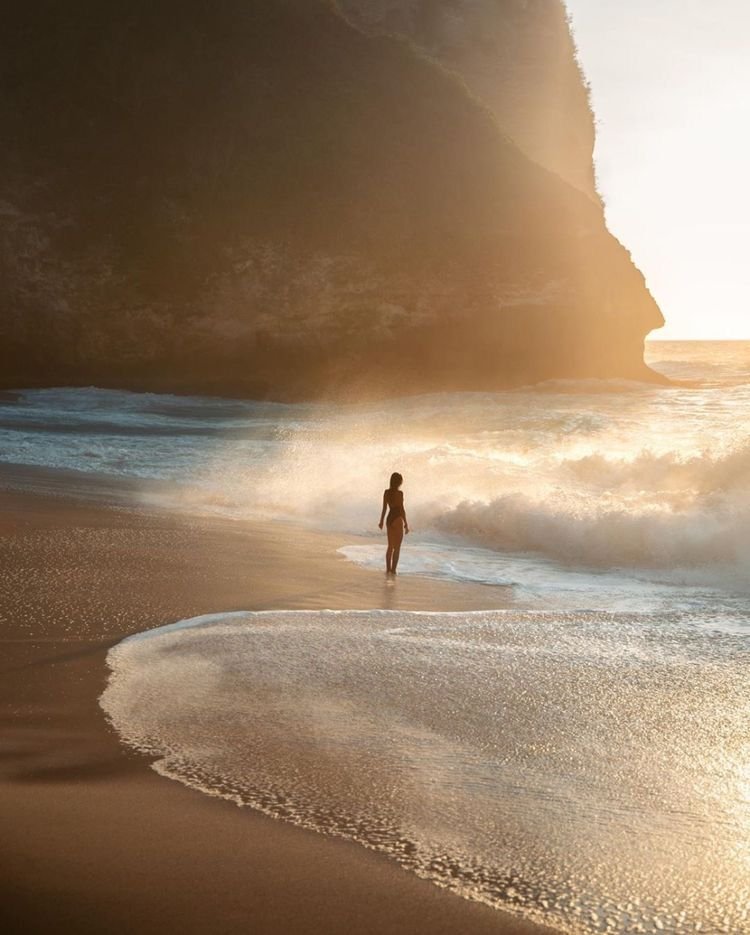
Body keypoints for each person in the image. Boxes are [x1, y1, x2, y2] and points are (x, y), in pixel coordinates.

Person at [378, 472, 409, 575]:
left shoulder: (386, 492)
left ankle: (388, 569)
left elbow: (384, 508)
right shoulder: (400, 494)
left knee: (390, 546)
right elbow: (401, 509)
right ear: (399, 482)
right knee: (397, 547)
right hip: (398, 518)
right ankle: (394, 570)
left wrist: (381, 521)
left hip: (389, 519)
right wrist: (406, 523)